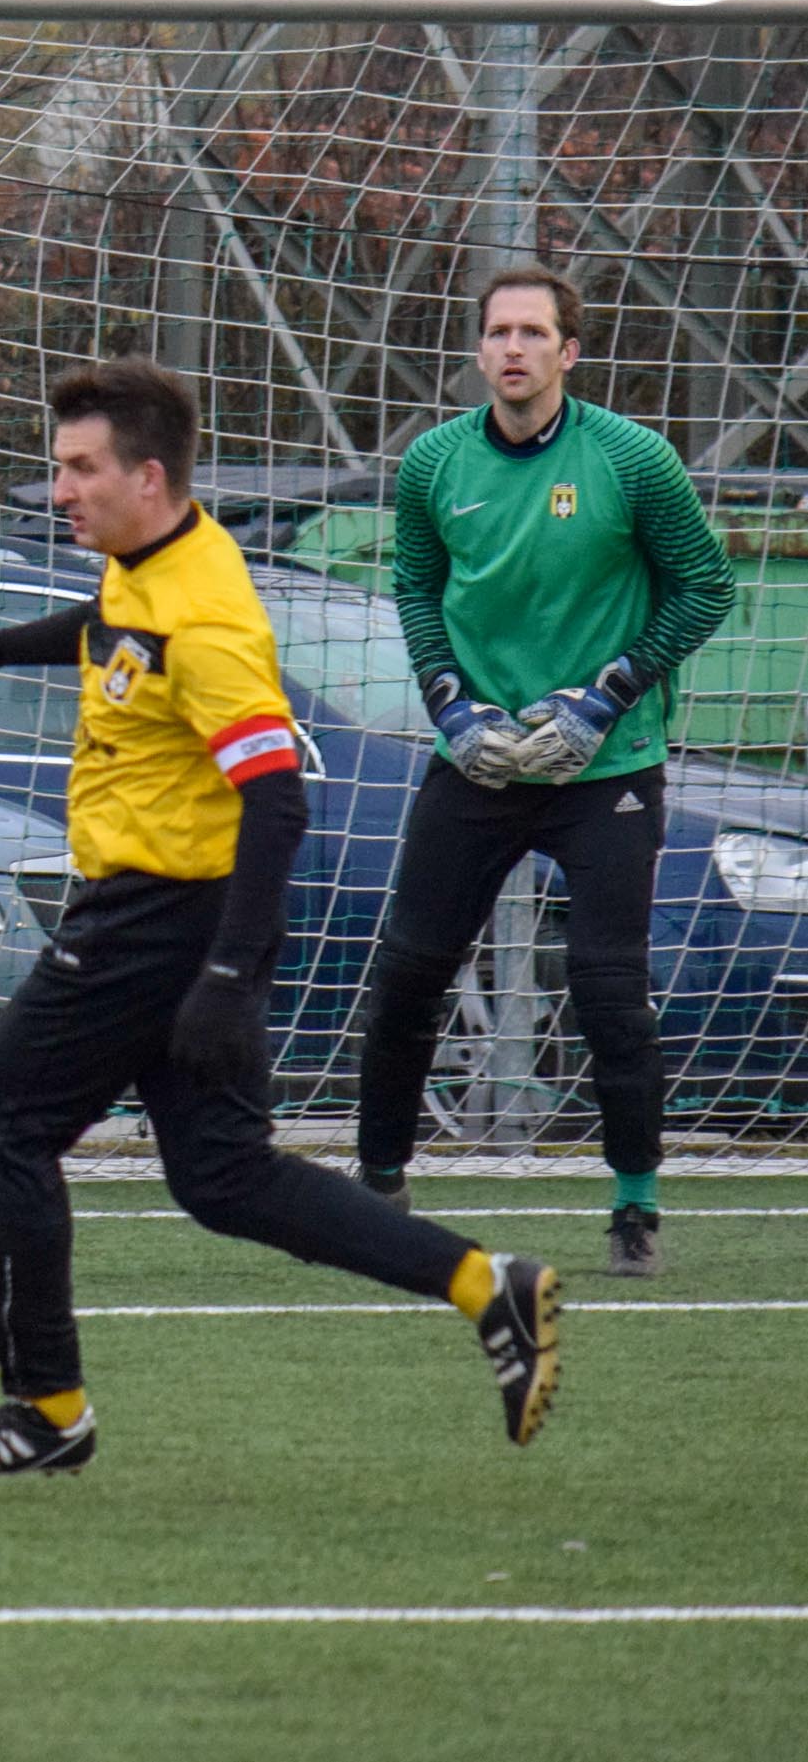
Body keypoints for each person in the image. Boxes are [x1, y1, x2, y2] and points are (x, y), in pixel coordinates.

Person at [0, 356, 558, 1478]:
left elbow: (277, 799)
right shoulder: (153, 562)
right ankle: (488, 1284)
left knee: (1, 1129)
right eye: (58, 467)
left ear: (147, 477)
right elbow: (112, 629)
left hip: (155, 921)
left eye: (80, 469)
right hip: (174, 920)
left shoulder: (204, 615)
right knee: (223, 1178)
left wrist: (230, 978)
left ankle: (46, 1410)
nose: (60, 490)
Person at [354, 267, 734, 1277]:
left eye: (532, 332)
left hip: (605, 766)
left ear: (568, 351)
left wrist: (605, 696)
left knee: (609, 990)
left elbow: (706, 587)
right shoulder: (432, 461)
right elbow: (415, 585)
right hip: (478, 764)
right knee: (408, 975)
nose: (512, 348)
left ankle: (634, 1208)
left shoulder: (631, 458)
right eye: (498, 332)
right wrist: (450, 704)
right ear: (479, 350)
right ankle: (378, 1184)